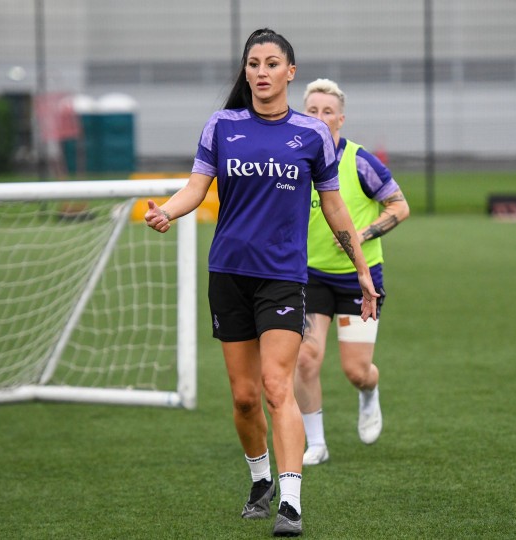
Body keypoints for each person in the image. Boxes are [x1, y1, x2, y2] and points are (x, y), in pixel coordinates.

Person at [144, 29, 379, 537]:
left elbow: (335, 206)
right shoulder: (222, 126)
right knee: (245, 397)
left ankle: (290, 502)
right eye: (254, 63)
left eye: (273, 63)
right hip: (228, 274)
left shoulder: (311, 133)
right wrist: (167, 212)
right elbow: (195, 189)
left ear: (290, 72)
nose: (262, 72)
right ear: (246, 71)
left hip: (282, 277)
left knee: (277, 386)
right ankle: (259, 479)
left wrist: (362, 271)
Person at [295, 79, 410, 466]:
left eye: (328, 111)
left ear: (341, 119)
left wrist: (359, 235)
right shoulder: (293, 161)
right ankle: (317, 444)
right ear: (301, 114)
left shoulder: (359, 161)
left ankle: (369, 392)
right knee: (305, 358)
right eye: (312, 110)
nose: (320, 117)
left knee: (356, 371)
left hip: (359, 278)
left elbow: (399, 206)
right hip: (309, 275)